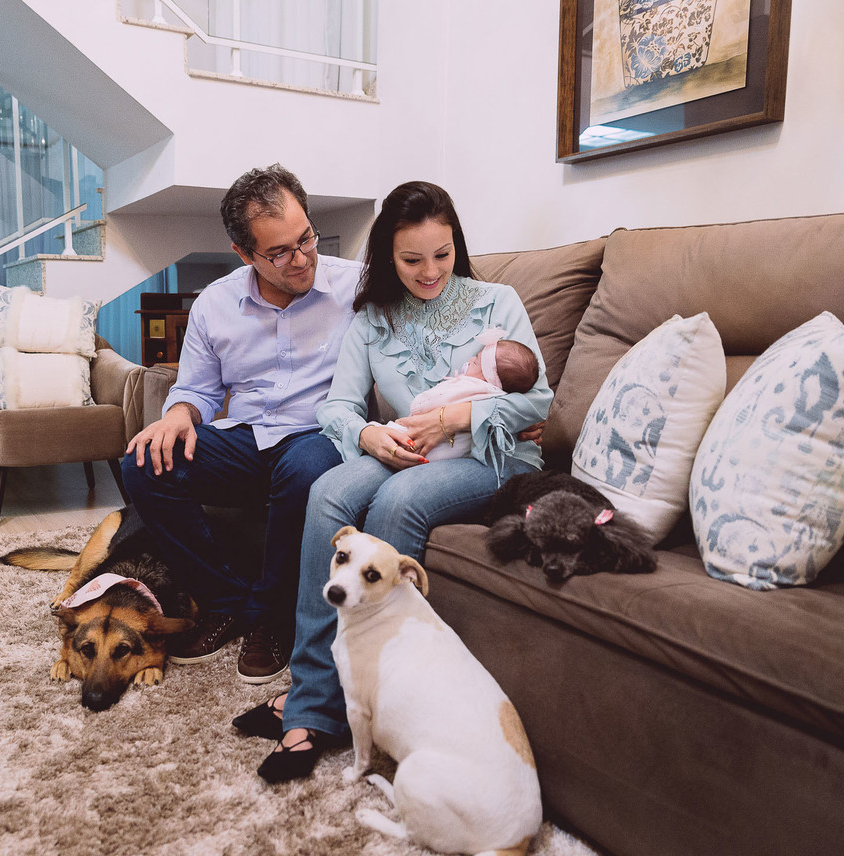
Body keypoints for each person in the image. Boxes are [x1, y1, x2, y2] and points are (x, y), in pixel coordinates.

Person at [232, 180, 554, 782]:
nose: (430, 271)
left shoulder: (497, 302)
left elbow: (537, 402)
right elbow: (336, 406)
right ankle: (315, 699)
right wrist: (368, 435)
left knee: (397, 498)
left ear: (456, 244)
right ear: (387, 257)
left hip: (490, 455)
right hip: (402, 448)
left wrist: (455, 416)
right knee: (328, 491)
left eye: (442, 254)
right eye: (412, 260)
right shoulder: (373, 319)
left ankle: (363, 701)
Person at [121, 164, 360, 685]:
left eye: (306, 239)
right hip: (248, 440)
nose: (302, 260)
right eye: (279, 253)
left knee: (304, 468)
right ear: (244, 253)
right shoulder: (215, 303)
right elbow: (197, 391)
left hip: (320, 435)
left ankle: (270, 618)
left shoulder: (356, 287)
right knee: (141, 465)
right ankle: (224, 601)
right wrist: (177, 417)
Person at [388, 330, 540, 461]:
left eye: (476, 362)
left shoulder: (470, 386)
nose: (471, 359)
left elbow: (437, 398)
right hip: (456, 451)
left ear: (487, 377)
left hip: (440, 448)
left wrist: (419, 405)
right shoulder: (496, 393)